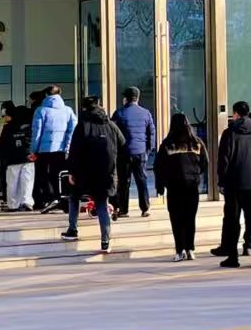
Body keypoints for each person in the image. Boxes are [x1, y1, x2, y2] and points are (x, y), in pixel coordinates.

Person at [215, 101, 251, 268]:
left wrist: (221, 180)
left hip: (233, 183)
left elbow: (223, 159)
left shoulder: (230, 133)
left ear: (235, 114)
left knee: (232, 221)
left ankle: (233, 257)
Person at [61, 96, 121, 252]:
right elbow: (122, 142)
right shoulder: (109, 124)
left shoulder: (83, 125)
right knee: (102, 203)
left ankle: (73, 229)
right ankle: (105, 241)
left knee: (74, 197)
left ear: (84, 108)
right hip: (106, 172)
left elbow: (74, 150)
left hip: (85, 173)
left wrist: (72, 171)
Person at [154, 112, 206, 261]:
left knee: (176, 219)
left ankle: (179, 250)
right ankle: (190, 249)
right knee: (190, 218)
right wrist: (196, 175)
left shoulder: (167, 144)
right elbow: (205, 163)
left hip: (174, 187)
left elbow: (159, 167)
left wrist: (160, 185)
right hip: (192, 186)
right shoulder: (197, 143)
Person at [111, 87, 156, 219]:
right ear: (137, 98)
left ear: (125, 98)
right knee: (141, 180)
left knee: (124, 182)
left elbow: (113, 134)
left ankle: (123, 210)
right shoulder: (146, 113)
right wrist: (148, 150)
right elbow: (151, 133)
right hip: (140, 151)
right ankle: (145, 208)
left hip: (124, 153)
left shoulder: (119, 113)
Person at [29, 85, 76, 207]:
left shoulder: (40, 110)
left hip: (43, 150)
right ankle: (61, 198)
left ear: (46, 95)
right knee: (58, 174)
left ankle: (51, 197)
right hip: (61, 149)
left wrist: (33, 150)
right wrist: (68, 147)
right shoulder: (68, 110)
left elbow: (36, 132)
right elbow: (72, 131)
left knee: (42, 174)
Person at [0, 100, 34, 212]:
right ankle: (27, 202)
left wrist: (1, 153)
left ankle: (13, 204)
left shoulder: (7, 127)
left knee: (12, 182)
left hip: (12, 158)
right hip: (28, 156)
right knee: (27, 181)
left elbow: (1, 144)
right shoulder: (29, 127)